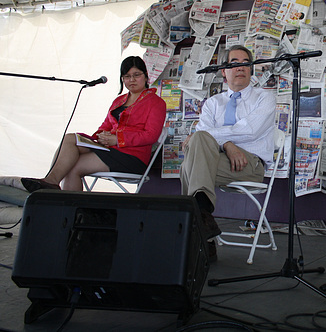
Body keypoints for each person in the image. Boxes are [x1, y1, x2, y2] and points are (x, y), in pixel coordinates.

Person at [180, 45, 276, 259]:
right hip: (219, 162)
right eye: (234, 63)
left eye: (245, 63)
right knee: (197, 148)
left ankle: (199, 234)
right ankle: (203, 222)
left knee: (190, 163)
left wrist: (224, 142)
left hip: (250, 165)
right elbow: (202, 135)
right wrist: (228, 145)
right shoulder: (213, 103)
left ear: (251, 69)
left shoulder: (264, 98)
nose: (240, 67)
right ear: (224, 70)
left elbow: (250, 131)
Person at [21, 56, 167, 192]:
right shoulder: (119, 101)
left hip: (133, 157)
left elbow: (151, 135)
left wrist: (117, 139)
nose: (132, 80)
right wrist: (99, 138)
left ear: (146, 75)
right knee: (70, 138)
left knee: (72, 167)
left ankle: (64, 202)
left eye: (137, 75)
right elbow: (105, 126)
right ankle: (51, 182)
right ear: (122, 79)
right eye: (127, 76)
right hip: (109, 149)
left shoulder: (156, 102)